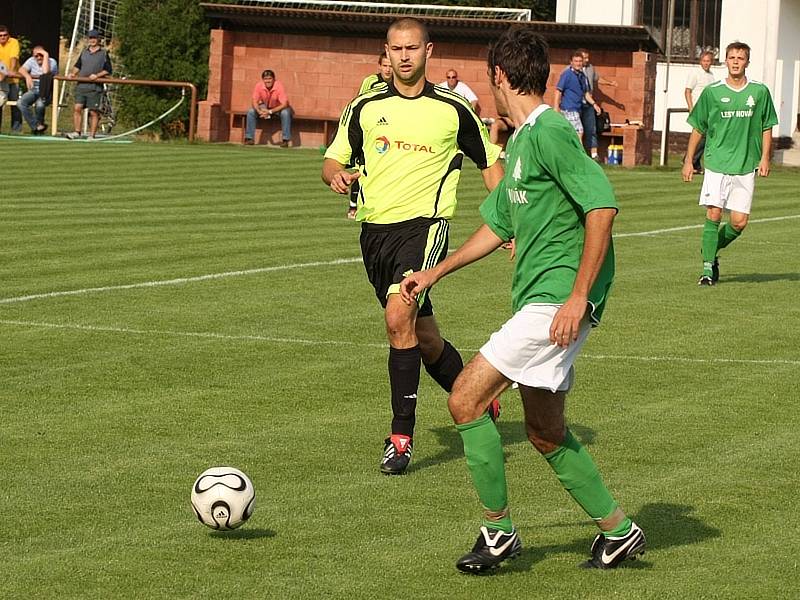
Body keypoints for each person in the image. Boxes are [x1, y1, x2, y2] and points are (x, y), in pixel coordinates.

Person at [400, 28, 645, 574]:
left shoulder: (551, 131)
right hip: (542, 300)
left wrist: (577, 297)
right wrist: (434, 271)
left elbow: (601, 206)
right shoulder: (521, 144)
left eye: (491, 80)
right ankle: (619, 532)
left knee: (465, 399)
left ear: (501, 78)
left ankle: (498, 532)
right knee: (544, 431)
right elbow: (497, 224)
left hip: (555, 303)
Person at [321, 17, 504, 476]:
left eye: (412, 48)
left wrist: (510, 221)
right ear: (387, 52)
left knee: (397, 314)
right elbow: (332, 159)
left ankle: (400, 438)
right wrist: (336, 176)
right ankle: (475, 394)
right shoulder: (363, 106)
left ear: (428, 52)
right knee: (423, 338)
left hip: (425, 228)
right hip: (374, 233)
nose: (404, 56)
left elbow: (489, 163)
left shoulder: (454, 109)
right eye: (396, 49)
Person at [683, 41, 778, 286]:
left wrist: (765, 157)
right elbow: (698, 128)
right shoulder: (713, 92)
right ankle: (706, 269)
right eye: (732, 57)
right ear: (725, 61)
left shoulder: (759, 92)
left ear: (747, 62)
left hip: (746, 164)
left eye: (740, 58)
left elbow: (767, 125)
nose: (736, 61)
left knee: (739, 222)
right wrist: (687, 160)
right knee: (713, 213)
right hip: (716, 162)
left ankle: (710, 251)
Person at [348, 53, 394, 219]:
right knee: (362, 168)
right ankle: (353, 206)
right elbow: (360, 103)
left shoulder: (399, 84)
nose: (388, 69)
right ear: (380, 66)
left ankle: (382, 206)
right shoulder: (370, 81)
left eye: (390, 66)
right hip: (370, 131)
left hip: (390, 133)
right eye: (385, 66)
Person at [66, 30, 112, 140]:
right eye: (90, 38)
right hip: (81, 86)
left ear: (98, 39)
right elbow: (78, 66)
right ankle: (77, 132)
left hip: (95, 88)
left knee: (93, 112)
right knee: (77, 108)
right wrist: (72, 73)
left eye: (94, 38)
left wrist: (97, 75)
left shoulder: (104, 53)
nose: (92, 40)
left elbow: (108, 70)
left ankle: (92, 135)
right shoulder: (84, 52)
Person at [579, 48, 618, 160]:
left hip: (589, 103)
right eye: (584, 57)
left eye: (587, 57)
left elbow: (598, 79)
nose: (587, 60)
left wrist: (610, 83)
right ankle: (579, 154)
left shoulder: (590, 68)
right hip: (576, 104)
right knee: (577, 130)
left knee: (592, 128)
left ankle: (594, 155)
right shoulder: (572, 70)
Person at [554, 50, 601, 143]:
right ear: (571, 62)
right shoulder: (567, 74)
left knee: (569, 134)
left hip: (577, 109)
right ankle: (579, 154)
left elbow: (586, 93)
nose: (578, 63)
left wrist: (594, 104)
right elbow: (558, 91)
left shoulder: (582, 76)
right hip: (568, 109)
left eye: (580, 61)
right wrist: (556, 107)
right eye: (576, 61)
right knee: (579, 131)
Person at [684, 50, 716, 174]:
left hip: (709, 110)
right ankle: (690, 160)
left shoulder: (711, 75)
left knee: (707, 136)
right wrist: (691, 107)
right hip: (699, 109)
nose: (706, 63)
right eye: (704, 61)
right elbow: (687, 91)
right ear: (700, 61)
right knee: (700, 135)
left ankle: (695, 163)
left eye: (708, 61)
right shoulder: (695, 73)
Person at [244, 69, 292, 147]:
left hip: (278, 108)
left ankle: (285, 140)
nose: (267, 81)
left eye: (269, 79)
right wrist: (259, 111)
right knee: (251, 112)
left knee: (285, 113)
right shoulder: (259, 85)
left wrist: (270, 112)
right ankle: (249, 138)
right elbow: (254, 101)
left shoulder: (279, 85)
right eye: (265, 79)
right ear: (263, 80)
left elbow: (285, 104)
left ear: (273, 79)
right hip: (264, 108)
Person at [18, 45, 58, 134]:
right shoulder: (31, 60)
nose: (39, 57)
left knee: (39, 105)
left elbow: (45, 72)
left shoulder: (52, 61)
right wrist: (27, 76)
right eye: (36, 55)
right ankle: (36, 126)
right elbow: (21, 69)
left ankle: (39, 126)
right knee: (21, 103)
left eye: (41, 55)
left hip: (47, 89)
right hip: (34, 88)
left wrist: (46, 55)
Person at [0, 24, 22, 131]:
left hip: (13, 79)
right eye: (1, 35)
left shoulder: (13, 42)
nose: (3, 37)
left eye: (5, 35)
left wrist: (12, 71)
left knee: (16, 105)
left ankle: (16, 130)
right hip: (1, 79)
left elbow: (13, 57)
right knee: (0, 103)